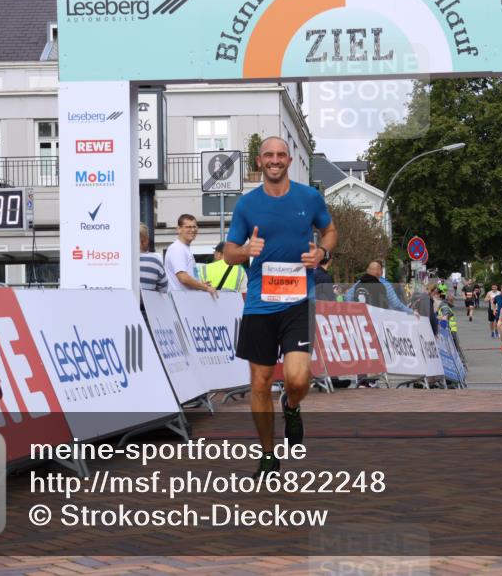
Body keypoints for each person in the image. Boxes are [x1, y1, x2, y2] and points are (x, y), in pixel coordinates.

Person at [223, 137, 337, 477]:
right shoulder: (247, 205)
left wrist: (322, 253)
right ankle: (269, 455)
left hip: (299, 300)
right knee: (259, 384)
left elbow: (329, 231)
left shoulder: (309, 197)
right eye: (268, 155)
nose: (275, 160)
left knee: (297, 378)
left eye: (281, 155)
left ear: (290, 160)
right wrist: (246, 250)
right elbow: (229, 251)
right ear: (259, 162)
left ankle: (291, 405)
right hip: (260, 304)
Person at [164, 214, 217, 297]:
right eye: (188, 227)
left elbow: (187, 277)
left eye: (194, 227)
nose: (192, 230)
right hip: (180, 301)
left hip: (184, 300)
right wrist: (205, 288)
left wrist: (199, 284)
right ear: (179, 229)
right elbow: (183, 278)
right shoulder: (177, 248)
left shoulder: (183, 248)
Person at [346, 260, 415, 315]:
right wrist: (410, 311)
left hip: (361, 318)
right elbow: (396, 304)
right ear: (381, 272)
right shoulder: (385, 285)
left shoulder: (359, 283)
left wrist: (356, 310)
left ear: (367, 271)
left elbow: (348, 297)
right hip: (379, 319)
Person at [138, 223, 168, 292]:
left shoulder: (121, 260)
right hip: (148, 302)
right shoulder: (154, 260)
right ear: (145, 241)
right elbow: (164, 288)